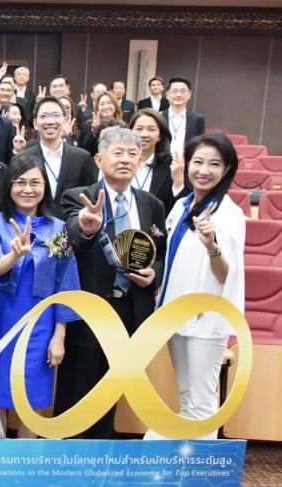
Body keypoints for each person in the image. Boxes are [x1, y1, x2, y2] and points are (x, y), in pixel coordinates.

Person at [55, 128, 167, 439]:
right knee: (78, 391)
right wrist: (88, 229)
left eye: (133, 154)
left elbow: (161, 252)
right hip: (89, 311)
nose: (125, 160)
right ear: (99, 159)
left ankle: (101, 457)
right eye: (118, 153)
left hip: (131, 309)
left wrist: (154, 272)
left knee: (112, 388)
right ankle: (69, 457)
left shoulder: (152, 204)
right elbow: (74, 235)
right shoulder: (79, 196)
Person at [144, 134, 243, 440]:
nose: (204, 170)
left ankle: (200, 467)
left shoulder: (228, 214)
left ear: (226, 170)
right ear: (187, 164)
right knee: (187, 398)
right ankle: (186, 463)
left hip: (205, 320)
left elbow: (226, 274)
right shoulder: (182, 206)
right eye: (198, 162)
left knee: (201, 404)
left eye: (214, 164)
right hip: (176, 315)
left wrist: (212, 246)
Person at [0, 153, 80, 438]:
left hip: (41, 324)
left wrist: (60, 335)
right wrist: (15, 254)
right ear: (9, 186)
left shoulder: (58, 228)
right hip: (1, 320)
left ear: (45, 187)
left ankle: (27, 458)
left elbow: (66, 285)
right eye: (20, 182)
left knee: (32, 396)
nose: (28, 189)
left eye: (35, 182)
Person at [19, 96, 98, 215]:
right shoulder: (23, 158)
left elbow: (89, 197)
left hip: (71, 223)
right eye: (44, 116)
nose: (50, 121)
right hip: (33, 222)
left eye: (56, 115)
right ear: (35, 123)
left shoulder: (82, 158)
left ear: (65, 120)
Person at [129, 108, 185, 212]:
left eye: (151, 129)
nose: (144, 134)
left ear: (160, 136)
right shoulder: (121, 162)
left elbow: (179, 209)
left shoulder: (171, 167)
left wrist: (178, 184)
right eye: (139, 129)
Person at [162, 77, 206, 156]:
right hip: (161, 161)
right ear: (167, 95)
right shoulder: (158, 117)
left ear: (189, 94)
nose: (178, 95)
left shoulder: (197, 119)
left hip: (187, 161)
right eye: (174, 91)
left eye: (182, 91)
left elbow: (199, 145)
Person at [78, 91, 125, 156]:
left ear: (115, 106)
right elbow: (83, 150)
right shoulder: (88, 125)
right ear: (97, 107)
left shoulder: (123, 126)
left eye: (109, 103)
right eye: (102, 104)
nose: (106, 106)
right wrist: (94, 133)